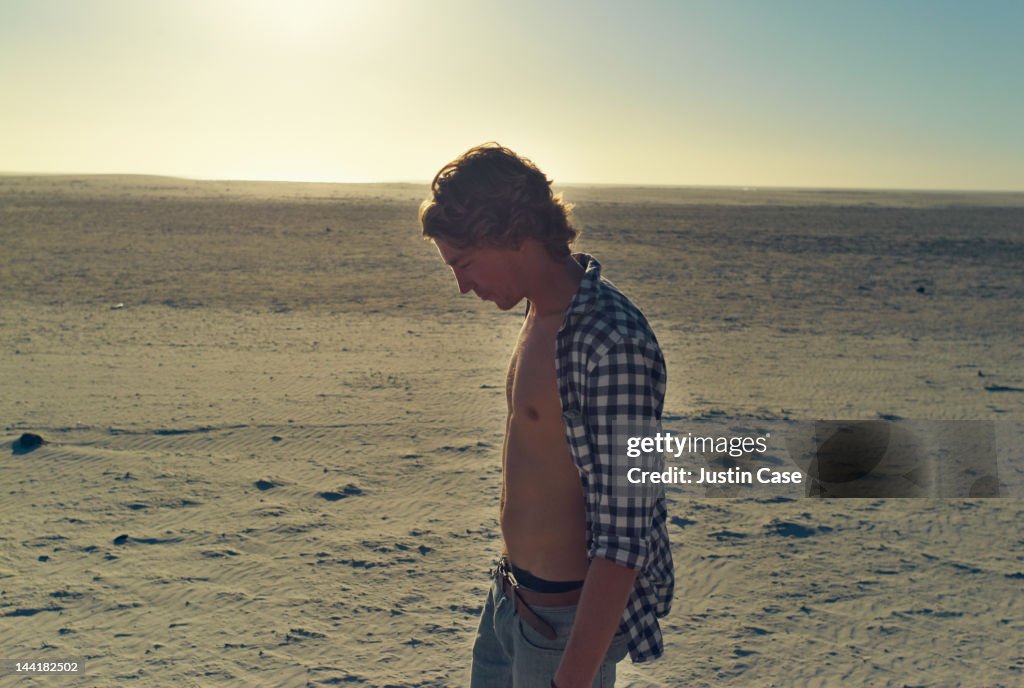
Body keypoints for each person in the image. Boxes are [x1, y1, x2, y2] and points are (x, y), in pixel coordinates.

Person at [419, 143, 673, 687]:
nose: (462, 286)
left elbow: (625, 535)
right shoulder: (539, 309)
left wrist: (572, 677)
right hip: (508, 604)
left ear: (511, 234)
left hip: (563, 631)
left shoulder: (614, 341)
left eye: (464, 263)